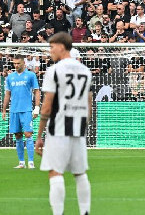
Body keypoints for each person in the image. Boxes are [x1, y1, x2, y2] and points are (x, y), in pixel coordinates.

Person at [35, 33, 93, 215]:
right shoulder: (85, 70)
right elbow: (89, 103)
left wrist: (39, 136)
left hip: (58, 128)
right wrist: (84, 126)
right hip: (78, 128)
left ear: (61, 46)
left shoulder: (54, 71)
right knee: (80, 173)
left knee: (55, 172)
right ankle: (85, 212)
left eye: (52, 47)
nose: (50, 51)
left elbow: (46, 106)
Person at [2, 54, 41, 169]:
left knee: (28, 134)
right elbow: (7, 94)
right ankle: (21, 162)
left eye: (18, 63)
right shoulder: (10, 77)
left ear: (24, 63)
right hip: (14, 110)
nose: (16, 65)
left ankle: (31, 162)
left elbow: (36, 91)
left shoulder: (30, 75)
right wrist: (4, 109)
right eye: (14, 63)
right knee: (17, 135)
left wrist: (37, 107)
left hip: (26, 109)